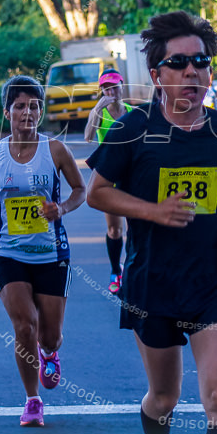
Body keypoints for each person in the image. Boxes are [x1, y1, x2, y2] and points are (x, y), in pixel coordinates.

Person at [86, 11, 217, 434]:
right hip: (152, 284)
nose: (191, 72)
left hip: (212, 281)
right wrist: (153, 212)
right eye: (179, 63)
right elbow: (97, 193)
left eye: (200, 62)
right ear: (156, 74)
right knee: (164, 399)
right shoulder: (134, 129)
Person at [0, 75, 85, 427]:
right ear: (7, 112)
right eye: (20, 106)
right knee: (24, 326)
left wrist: (60, 209)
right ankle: (33, 401)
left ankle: (50, 352)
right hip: (7, 253)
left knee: (50, 334)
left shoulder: (56, 151)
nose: (28, 113)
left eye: (34, 106)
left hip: (51, 255)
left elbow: (80, 190)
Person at [84, 67, 134, 293]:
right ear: (101, 90)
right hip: (109, 178)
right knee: (115, 230)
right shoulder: (100, 113)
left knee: (136, 226)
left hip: (133, 176)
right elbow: (87, 137)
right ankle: (116, 271)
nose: (111, 90)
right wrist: (97, 109)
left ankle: (135, 271)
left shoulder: (134, 112)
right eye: (106, 87)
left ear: (122, 86)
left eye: (114, 85)